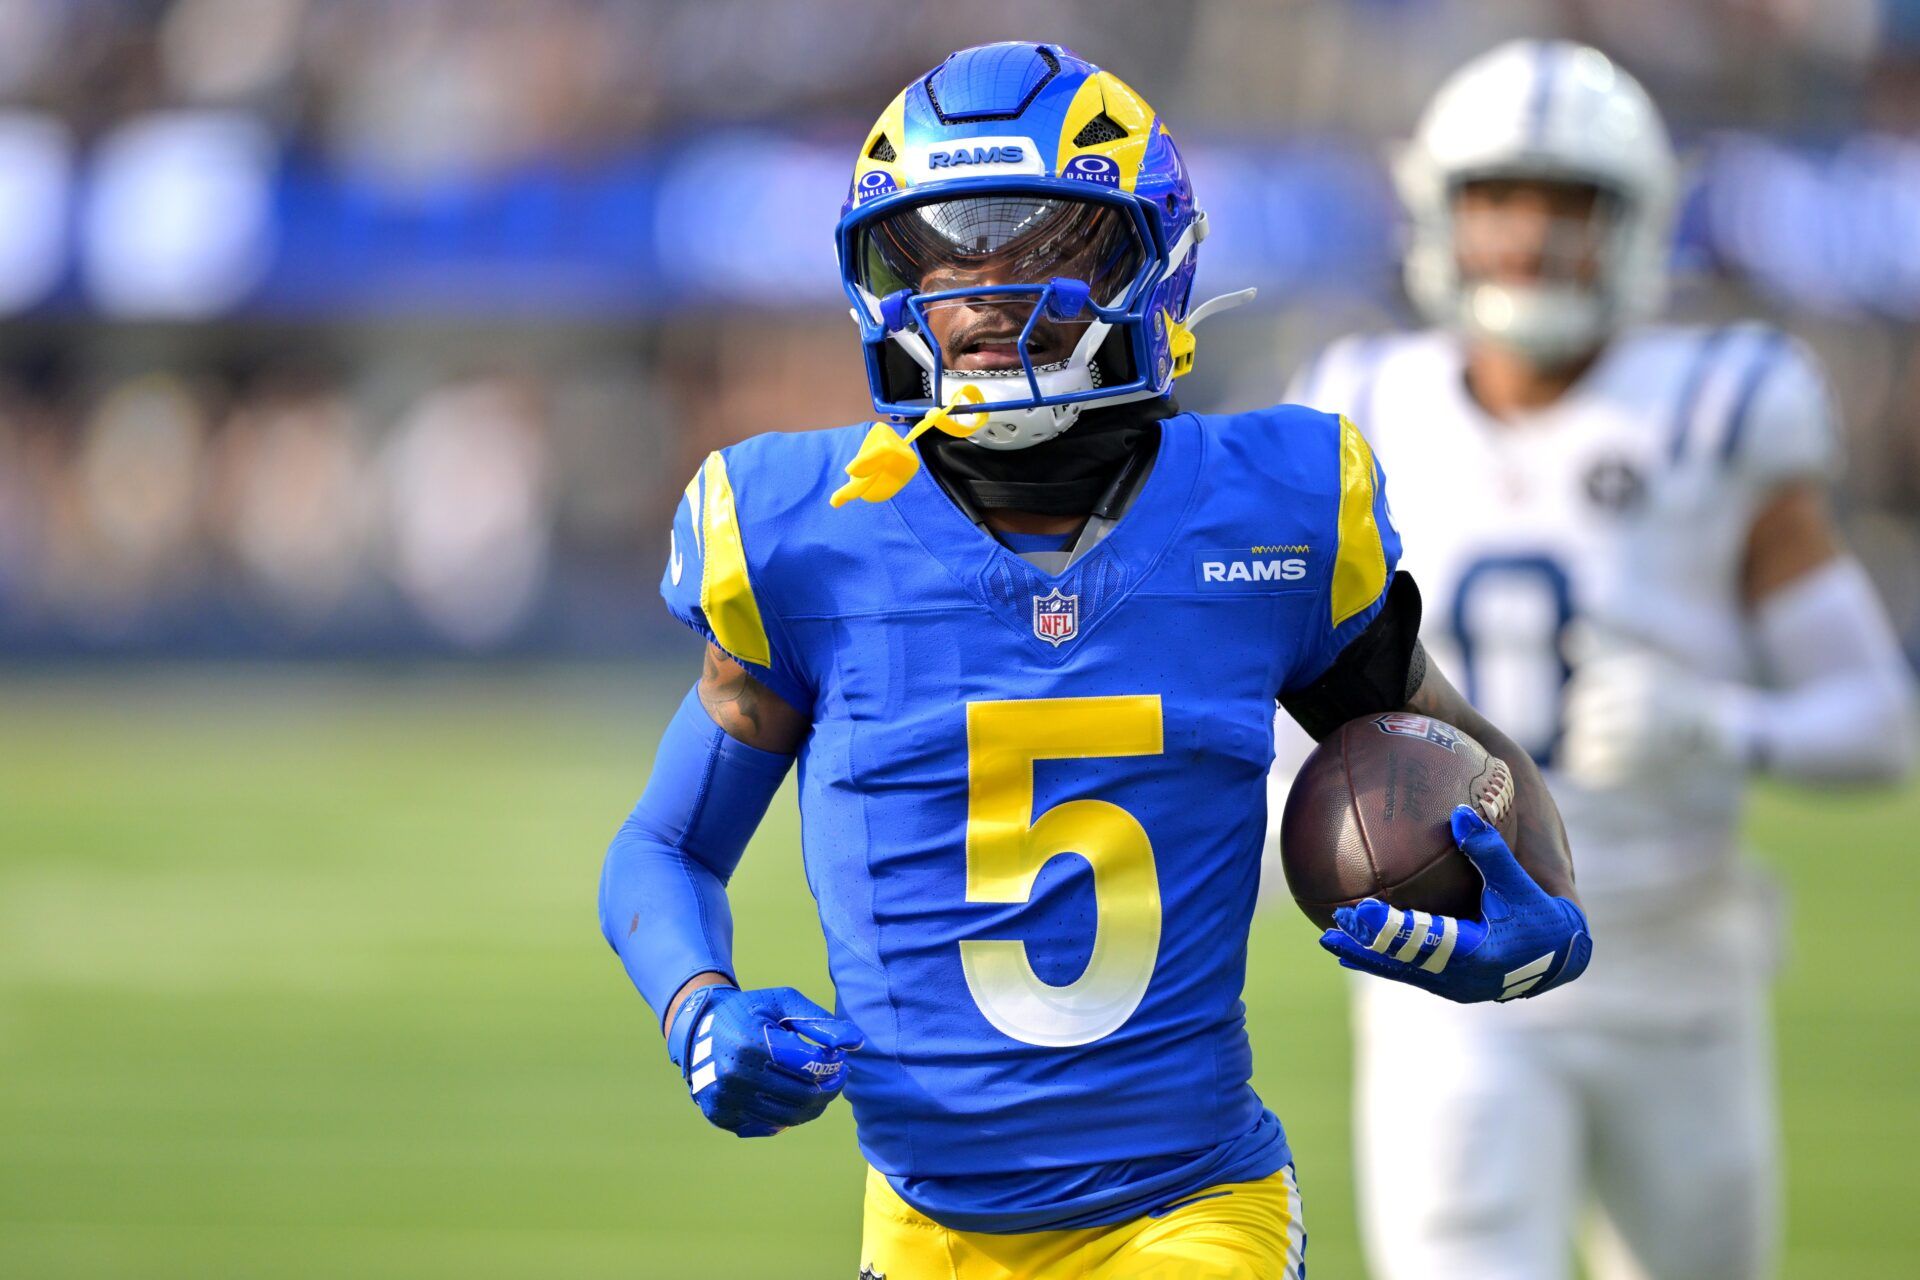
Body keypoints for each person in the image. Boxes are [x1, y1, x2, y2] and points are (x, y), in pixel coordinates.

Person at [601, 42, 1592, 1279]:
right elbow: (667, 845)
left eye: (1038, 248)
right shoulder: (797, 531)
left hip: (1191, 1206)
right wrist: (699, 1005)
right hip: (924, 1229)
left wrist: (1544, 923)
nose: (978, 292)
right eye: (937, 253)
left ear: (1148, 256)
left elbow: (1472, 769)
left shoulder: (1279, 512)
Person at [1280, 39, 1918, 1280]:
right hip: (1448, 966)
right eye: (1498, 198)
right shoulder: (1360, 402)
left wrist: (1723, 724)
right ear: (1437, 211)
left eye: (1567, 202)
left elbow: (1879, 724)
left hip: (1677, 965)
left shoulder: (1719, 403)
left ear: (1635, 219)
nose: (1527, 236)